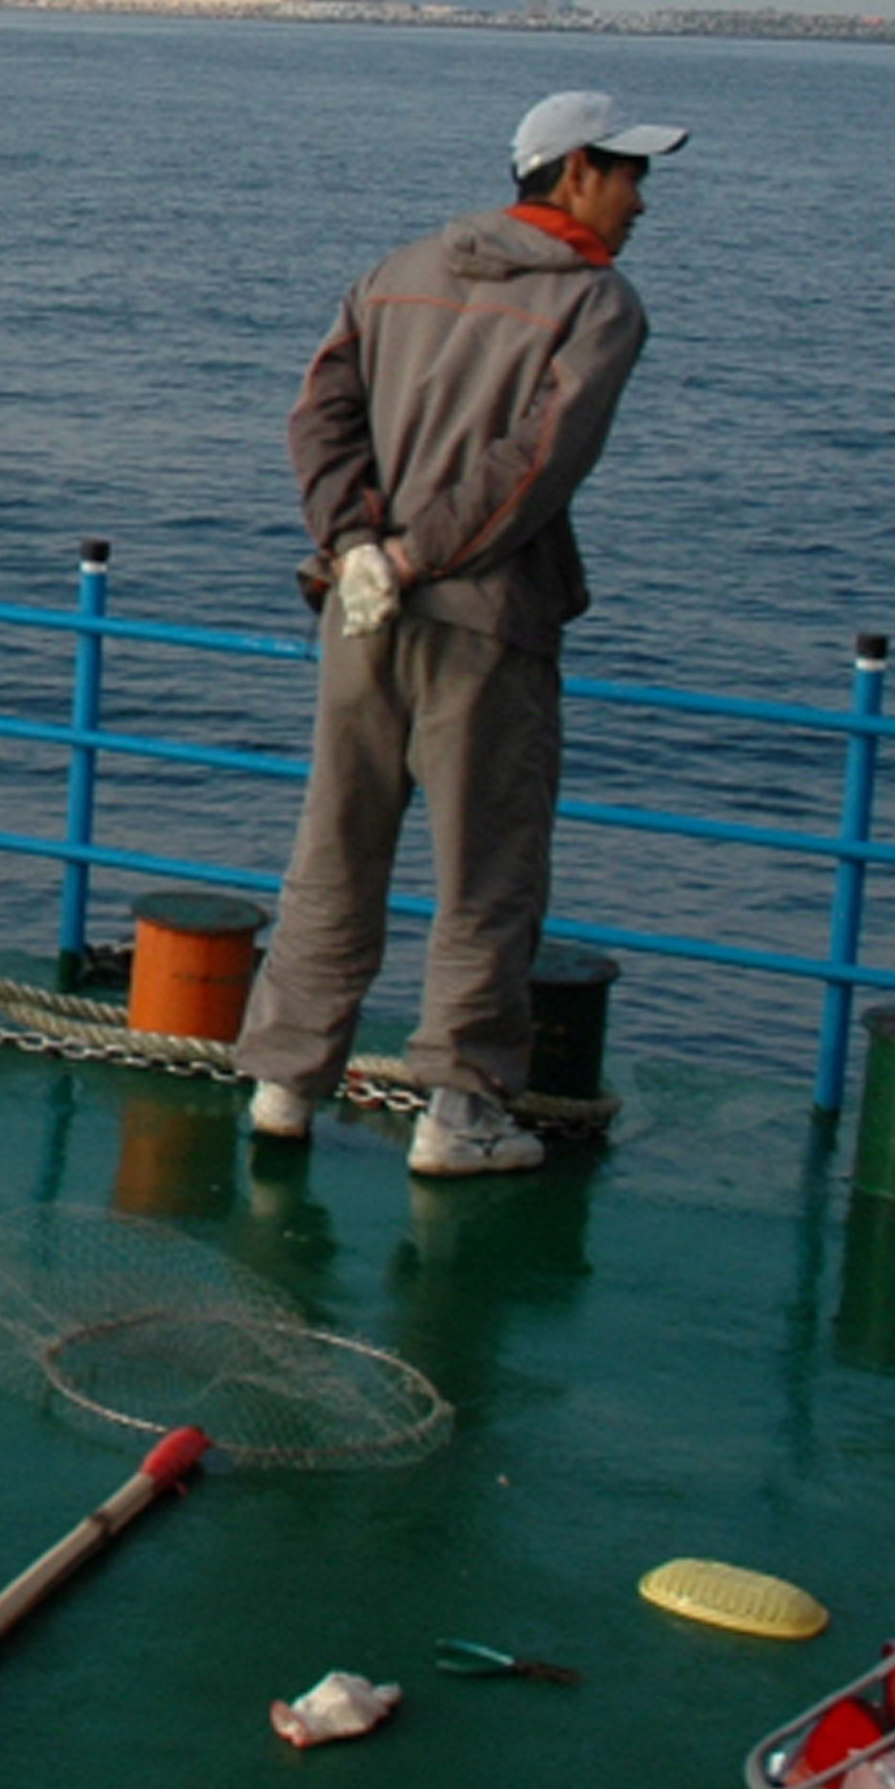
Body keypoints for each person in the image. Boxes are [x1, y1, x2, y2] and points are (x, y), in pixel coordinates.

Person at [237, 89, 679, 1176]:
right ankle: (460, 1113)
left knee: (333, 849)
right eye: (629, 171)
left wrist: (354, 547)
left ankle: (285, 1082)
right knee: (488, 868)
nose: (641, 196)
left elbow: (317, 415)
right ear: (574, 169)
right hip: (480, 621)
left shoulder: (390, 273)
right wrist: (411, 556)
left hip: (357, 614)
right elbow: (535, 464)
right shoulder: (598, 305)